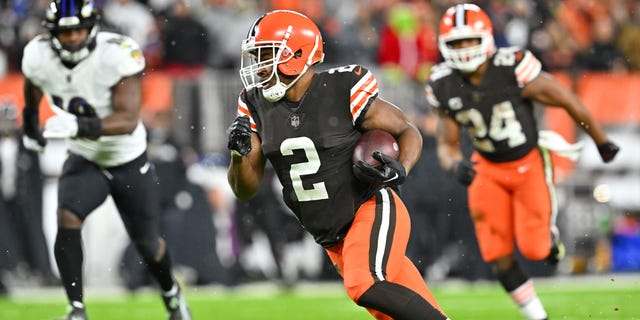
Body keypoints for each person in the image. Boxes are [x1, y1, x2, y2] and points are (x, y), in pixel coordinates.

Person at [227, 10, 449, 320]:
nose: (258, 66)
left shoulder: (341, 88)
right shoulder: (255, 104)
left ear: (297, 54)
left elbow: (407, 130)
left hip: (369, 208)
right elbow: (245, 189)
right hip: (333, 237)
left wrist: (404, 167)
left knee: (364, 285)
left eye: (266, 54)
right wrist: (238, 156)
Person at [426, 4, 620, 320]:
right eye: (456, 43)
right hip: (486, 168)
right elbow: (448, 145)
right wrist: (454, 164)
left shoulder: (511, 67)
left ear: (487, 39)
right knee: (497, 254)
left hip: (527, 163)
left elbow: (566, 99)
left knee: (536, 250)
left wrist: (601, 140)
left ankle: (549, 238)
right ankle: (536, 316)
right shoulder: (443, 82)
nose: (463, 50)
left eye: (469, 41)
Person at [20, 0, 191, 319]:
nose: (72, 38)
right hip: (85, 156)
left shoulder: (115, 53)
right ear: (52, 33)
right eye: (65, 32)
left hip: (126, 157)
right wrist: (31, 129)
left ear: (92, 27)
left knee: (148, 242)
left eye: (78, 31)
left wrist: (79, 125)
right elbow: (32, 93)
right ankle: (76, 308)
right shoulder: (38, 55)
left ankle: (172, 295)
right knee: (68, 218)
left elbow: (126, 119)